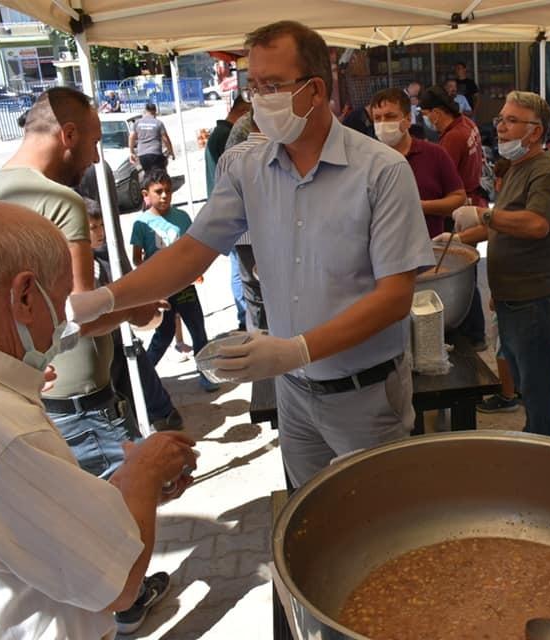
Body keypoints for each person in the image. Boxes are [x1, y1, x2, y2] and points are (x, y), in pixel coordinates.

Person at [74, 20, 433, 489]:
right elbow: (189, 252)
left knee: (381, 518)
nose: (259, 97)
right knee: (309, 519)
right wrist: (106, 300)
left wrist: (295, 349)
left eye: (273, 86)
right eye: (254, 85)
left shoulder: (382, 171)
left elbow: (394, 298)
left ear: (315, 89)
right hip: (293, 392)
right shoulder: (249, 167)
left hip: (364, 396)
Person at [0, 201, 198, 639]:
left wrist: (122, 492)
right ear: (24, 296)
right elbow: (118, 585)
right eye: (59, 302)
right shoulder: (3, 432)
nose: (62, 325)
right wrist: (144, 474)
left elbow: (36, 523)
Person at [0, 87, 162, 479]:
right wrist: (137, 308)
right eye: (93, 143)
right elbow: (79, 312)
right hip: (83, 401)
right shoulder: (59, 201)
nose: (94, 157)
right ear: (69, 135)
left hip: (28, 397)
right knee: (124, 519)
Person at [450, 91, 550, 437]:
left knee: (537, 388)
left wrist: (484, 213)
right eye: (501, 119)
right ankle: (535, 439)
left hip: (533, 301)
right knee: (522, 377)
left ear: (535, 131)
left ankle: (543, 449)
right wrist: (459, 239)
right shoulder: (519, 167)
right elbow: (504, 224)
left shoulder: (545, 171)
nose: (501, 127)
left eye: (511, 121)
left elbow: (536, 224)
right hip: (512, 297)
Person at [85, 199, 182, 432]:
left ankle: (163, 414)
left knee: (140, 370)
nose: (100, 233)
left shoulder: (107, 259)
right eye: (92, 228)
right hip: (101, 354)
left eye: (101, 226)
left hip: (121, 341)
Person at [130, 169, 218, 392]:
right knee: (164, 334)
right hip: (161, 292)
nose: (164, 196)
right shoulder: (141, 224)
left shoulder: (182, 218)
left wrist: (195, 269)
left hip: (184, 287)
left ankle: (207, 374)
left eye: (168, 191)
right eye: (158, 191)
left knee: (198, 330)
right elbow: (136, 259)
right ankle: (144, 377)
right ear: (145, 194)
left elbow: (193, 249)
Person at [418, 85, 488, 350]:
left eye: (425, 113)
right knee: (467, 270)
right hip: (474, 201)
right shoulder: (466, 124)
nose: (425, 119)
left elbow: (443, 181)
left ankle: (472, 334)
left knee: (459, 272)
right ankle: (474, 333)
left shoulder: (451, 140)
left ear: (436, 112)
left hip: (462, 210)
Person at [369, 88, 466, 239]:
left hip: (429, 249)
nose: (383, 123)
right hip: (383, 251)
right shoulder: (368, 159)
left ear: (408, 119)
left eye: (390, 116)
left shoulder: (435, 154)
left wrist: (420, 206)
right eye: (377, 118)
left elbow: (458, 198)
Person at [476, 157, 521, 414]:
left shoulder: (513, 211)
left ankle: (507, 395)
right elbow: (489, 232)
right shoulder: (510, 208)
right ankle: (518, 387)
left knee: (504, 344)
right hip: (510, 289)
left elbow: (509, 253)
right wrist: (458, 237)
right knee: (514, 344)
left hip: (511, 291)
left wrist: (498, 293)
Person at [218, 113, 269, 331]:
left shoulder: (229, 157)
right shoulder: (282, 152)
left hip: (243, 237)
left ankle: (258, 337)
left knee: (253, 294)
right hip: (276, 235)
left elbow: (221, 203)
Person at [205, 97, 252, 331]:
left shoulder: (220, 135)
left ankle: (246, 317)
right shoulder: (229, 142)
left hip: (235, 223)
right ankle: (244, 316)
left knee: (242, 272)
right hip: (238, 224)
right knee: (240, 272)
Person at [130, 102, 175, 173]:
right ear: (155, 111)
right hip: (155, 154)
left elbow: (131, 137)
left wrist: (132, 152)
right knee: (159, 175)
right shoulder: (158, 123)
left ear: (145, 111)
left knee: (148, 175)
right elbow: (166, 139)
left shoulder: (137, 123)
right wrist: (171, 152)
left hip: (142, 155)